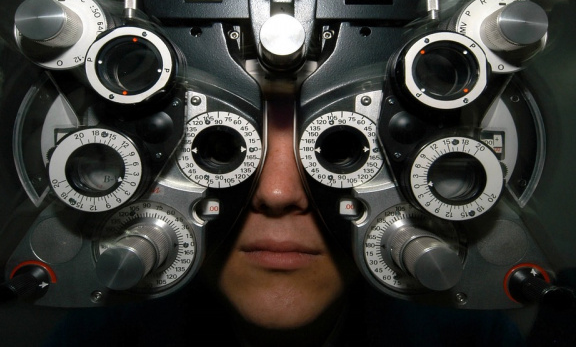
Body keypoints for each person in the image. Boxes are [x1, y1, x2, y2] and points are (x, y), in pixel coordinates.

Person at [45, 96, 527, 347]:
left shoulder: (471, 336)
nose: (278, 194)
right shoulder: (100, 335)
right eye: (219, 148)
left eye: (340, 148)